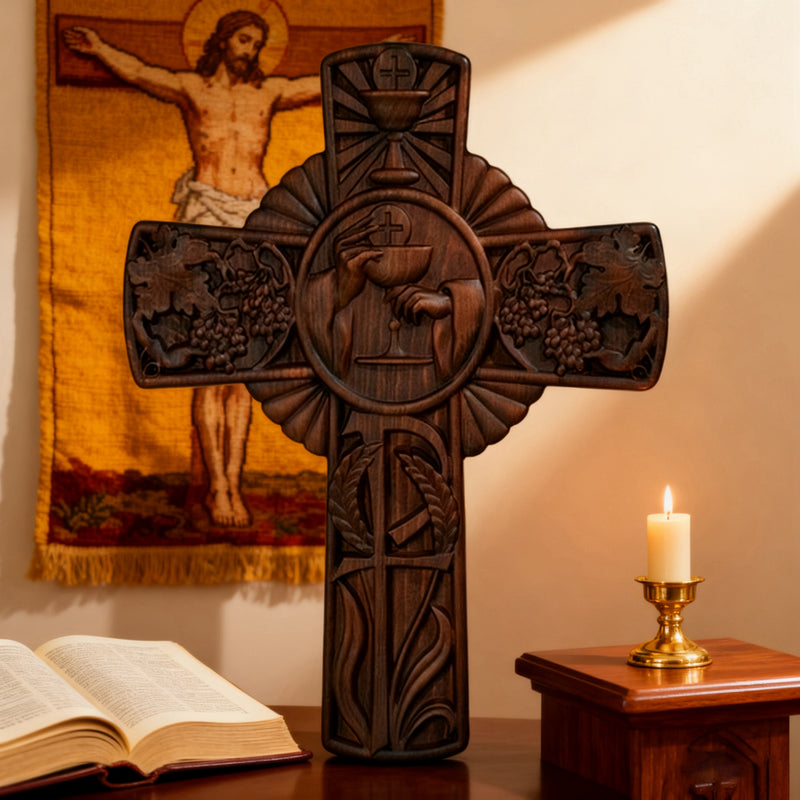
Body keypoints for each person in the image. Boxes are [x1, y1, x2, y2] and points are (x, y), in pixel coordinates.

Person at [64, 11, 320, 528]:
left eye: (258, 42)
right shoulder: (190, 88)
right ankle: (219, 487)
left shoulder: (266, 94)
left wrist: (382, 53)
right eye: (245, 39)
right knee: (210, 363)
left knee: (244, 366)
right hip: (203, 217)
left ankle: (236, 483)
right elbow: (138, 72)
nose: (252, 50)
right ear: (224, 40)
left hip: (253, 218)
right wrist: (97, 47)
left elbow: (319, 85)